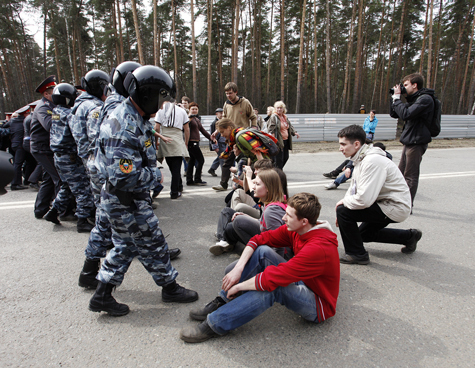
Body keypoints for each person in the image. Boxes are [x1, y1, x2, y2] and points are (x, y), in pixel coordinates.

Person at [89, 65, 198, 317]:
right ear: (147, 94)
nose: (161, 106)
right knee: (151, 242)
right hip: (126, 199)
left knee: (127, 245)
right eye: (160, 98)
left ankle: (103, 294)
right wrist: (154, 175)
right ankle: (168, 287)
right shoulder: (124, 125)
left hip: (125, 198)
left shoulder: (134, 117)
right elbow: (124, 176)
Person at [179, 192, 340, 343]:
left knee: (273, 289)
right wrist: (238, 269)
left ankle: (215, 324)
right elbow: (260, 239)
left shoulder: (319, 248)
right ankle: (223, 300)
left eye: (288, 215)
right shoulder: (299, 229)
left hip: (318, 303)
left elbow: (271, 279)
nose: (283, 218)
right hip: (302, 279)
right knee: (263, 251)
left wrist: (239, 287)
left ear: (304, 221)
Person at [334, 125, 422, 265]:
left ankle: (357, 254)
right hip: (384, 202)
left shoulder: (371, 161)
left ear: (356, 144)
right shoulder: (361, 158)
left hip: (394, 206)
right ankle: (410, 237)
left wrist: (344, 205)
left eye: (343, 144)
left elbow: (364, 200)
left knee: (343, 211)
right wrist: (344, 200)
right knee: (363, 234)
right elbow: (354, 188)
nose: (340, 148)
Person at [47, 83, 95, 232]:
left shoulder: (55, 112)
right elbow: (78, 135)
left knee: (67, 186)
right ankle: (82, 221)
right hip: (70, 158)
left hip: (59, 157)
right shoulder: (69, 115)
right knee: (83, 189)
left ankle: (54, 211)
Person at [211, 168, 287, 256]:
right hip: (268, 245)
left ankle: (254, 252)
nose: (253, 187)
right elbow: (263, 223)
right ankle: (225, 240)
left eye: (257, 184)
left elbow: (278, 244)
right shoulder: (270, 203)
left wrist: (271, 263)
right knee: (232, 220)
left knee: (238, 222)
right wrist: (247, 217)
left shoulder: (272, 210)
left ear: (268, 188)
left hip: (275, 255)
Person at [390, 73, 434, 207]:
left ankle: (406, 205)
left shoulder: (425, 99)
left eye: (406, 85)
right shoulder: (414, 99)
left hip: (417, 141)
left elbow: (406, 114)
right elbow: (394, 114)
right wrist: (394, 98)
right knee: (400, 173)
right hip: (410, 141)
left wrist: (398, 99)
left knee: (410, 175)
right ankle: (398, 200)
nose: (403, 88)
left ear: (415, 85)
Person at [30, 75, 69, 219]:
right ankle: (63, 212)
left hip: (46, 148)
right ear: (46, 94)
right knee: (59, 178)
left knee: (48, 178)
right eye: (54, 91)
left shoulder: (53, 106)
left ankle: (40, 209)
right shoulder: (43, 107)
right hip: (42, 148)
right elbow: (49, 125)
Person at [211, 82, 257, 191]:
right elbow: (224, 120)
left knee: (242, 162)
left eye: (230, 93)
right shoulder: (226, 104)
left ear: (236, 92)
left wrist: (254, 127)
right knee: (227, 162)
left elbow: (253, 117)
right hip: (230, 139)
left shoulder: (245, 103)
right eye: (226, 93)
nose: (228, 95)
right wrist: (218, 131)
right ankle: (223, 184)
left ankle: (243, 185)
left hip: (243, 139)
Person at [155, 101, 190, 199]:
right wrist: (186, 143)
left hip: (165, 138)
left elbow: (157, 128)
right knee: (176, 167)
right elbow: (186, 129)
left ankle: (179, 186)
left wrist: (156, 141)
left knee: (172, 167)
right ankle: (174, 192)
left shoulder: (160, 111)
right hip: (177, 139)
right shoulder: (182, 111)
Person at [186, 102, 214, 186]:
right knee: (201, 160)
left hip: (195, 142)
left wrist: (211, 138)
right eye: (192, 109)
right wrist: (189, 118)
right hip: (191, 142)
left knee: (191, 161)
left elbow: (203, 130)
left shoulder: (197, 119)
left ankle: (189, 180)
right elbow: (185, 126)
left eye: (196, 109)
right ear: (189, 109)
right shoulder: (188, 118)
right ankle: (197, 179)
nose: (194, 110)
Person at [267, 101, 300, 170]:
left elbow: (289, 126)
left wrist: (294, 132)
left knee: (285, 157)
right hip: (278, 141)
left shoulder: (284, 117)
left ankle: (276, 171)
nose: (279, 109)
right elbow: (270, 129)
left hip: (286, 140)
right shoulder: (274, 117)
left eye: (281, 108)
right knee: (279, 160)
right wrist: (272, 139)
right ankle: (278, 174)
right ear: (275, 109)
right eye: (277, 108)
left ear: (283, 109)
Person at [8, 106, 30, 190]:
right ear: (25, 113)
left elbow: (5, 126)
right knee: (18, 164)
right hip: (20, 145)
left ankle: (23, 180)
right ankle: (15, 184)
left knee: (17, 163)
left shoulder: (12, 121)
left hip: (13, 144)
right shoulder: (24, 121)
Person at [208, 108, 226, 177]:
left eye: (223, 113)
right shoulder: (214, 123)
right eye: (220, 113)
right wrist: (215, 146)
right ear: (216, 114)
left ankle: (212, 169)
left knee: (220, 156)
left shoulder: (223, 122)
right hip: (218, 143)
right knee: (222, 157)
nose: (222, 114)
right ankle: (224, 172)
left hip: (224, 142)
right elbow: (212, 135)